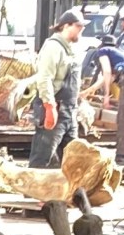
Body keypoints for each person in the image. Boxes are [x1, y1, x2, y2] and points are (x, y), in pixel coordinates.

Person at [26, 9, 86, 167]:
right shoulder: (53, 47)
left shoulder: (70, 49)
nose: (82, 30)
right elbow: (44, 78)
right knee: (42, 157)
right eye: (79, 26)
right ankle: (32, 192)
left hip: (69, 111)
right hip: (55, 108)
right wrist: (49, 106)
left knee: (73, 161)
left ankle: (75, 192)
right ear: (67, 26)